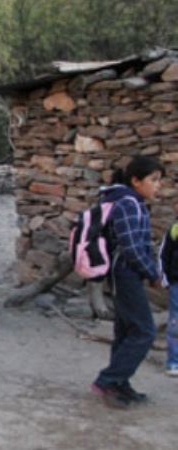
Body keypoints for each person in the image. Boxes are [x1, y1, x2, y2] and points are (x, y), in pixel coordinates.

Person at [91, 155, 163, 408]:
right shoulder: (128, 204)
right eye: (153, 180)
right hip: (125, 274)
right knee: (144, 331)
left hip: (126, 273)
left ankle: (120, 383)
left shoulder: (133, 203)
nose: (158, 186)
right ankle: (108, 380)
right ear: (136, 180)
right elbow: (132, 247)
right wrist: (152, 274)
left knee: (126, 331)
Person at [159, 215, 178, 377]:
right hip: (177, 283)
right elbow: (164, 254)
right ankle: (174, 362)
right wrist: (165, 279)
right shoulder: (175, 229)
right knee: (176, 323)